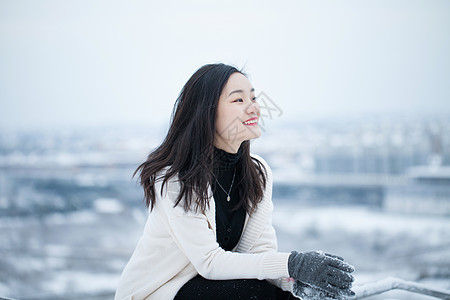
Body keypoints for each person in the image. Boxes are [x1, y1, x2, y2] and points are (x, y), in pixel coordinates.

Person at [114, 63, 355, 300]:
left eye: (253, 98)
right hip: (159, 291)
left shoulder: (257, 174)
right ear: (207, 112)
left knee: (262, 292)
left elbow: (260, 254)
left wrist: (294, 280)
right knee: (251, 293)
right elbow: (209, 262)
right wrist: (293, 264)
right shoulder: (178, 178)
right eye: (238, 100)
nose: (254, 108)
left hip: (214, 287)